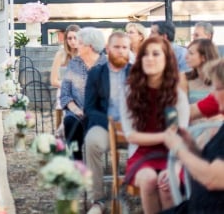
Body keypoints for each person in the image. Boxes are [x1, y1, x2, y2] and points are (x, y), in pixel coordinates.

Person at [119, 37, 189, 214]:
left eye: (156, 54)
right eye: (145, 55)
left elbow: (178, 136)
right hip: (141, 155)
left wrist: (176, 166)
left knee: (167, 185)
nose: (149, 58)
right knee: (149, 179)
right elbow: (131, 136)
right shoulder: (130, 93)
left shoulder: (176, 96)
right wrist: (164, 136)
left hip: (171, 155)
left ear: (167, 60)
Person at [161, 58, 224, 213]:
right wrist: (191, 147)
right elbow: (211, 160)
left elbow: (213, 178)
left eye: (217, 88)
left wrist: (179, 149)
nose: (212, 95)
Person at [84, 31, 132, 214]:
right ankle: (98, 200)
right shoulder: (96, 73)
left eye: (124, 47)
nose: (120, 51)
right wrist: (110, 123)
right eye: (116, 47)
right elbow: (89, 108)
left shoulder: (138, 72)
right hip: (106, 125)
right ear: (108, 49)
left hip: (134, 128)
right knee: (92, 142)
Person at [60, 27, 106, 161]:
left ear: (90, 46)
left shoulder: (106, 65)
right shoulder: (74, 63)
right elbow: (65, 93)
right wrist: (75, 109)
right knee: (70, 122)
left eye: (80, 43)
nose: (76, 46)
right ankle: (76, 166)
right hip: (77, 112)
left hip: (100, 115)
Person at [50, 24, 80, 131]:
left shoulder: (84, 54)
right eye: (69, 38)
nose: (72, 41)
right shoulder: (60, 55)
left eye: (75, 37)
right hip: (64, 90)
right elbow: (53, 81)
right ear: (66, 40)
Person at [178, 39, 219, 103]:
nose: (186, 56)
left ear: (203, 58)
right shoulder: (184, 78)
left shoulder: (220, 80)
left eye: (191, 53)